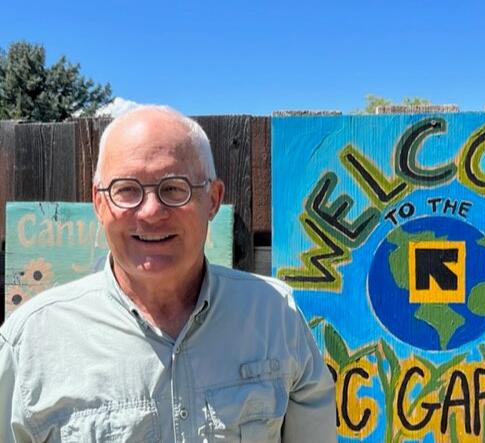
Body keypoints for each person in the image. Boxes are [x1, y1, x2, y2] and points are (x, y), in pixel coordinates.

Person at [0, 106, 337, 442]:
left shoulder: (274, 315)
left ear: (213, 200)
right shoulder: (29, 342)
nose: (150, 212)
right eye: (127, 189)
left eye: (175, 188)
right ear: (99, 204)